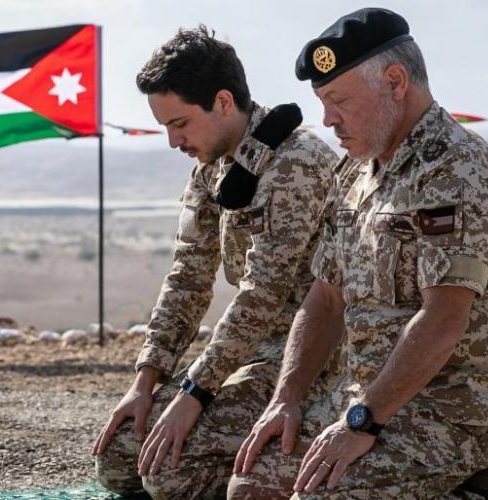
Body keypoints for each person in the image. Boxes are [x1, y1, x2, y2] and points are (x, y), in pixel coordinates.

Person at [229, 8, 488, 499]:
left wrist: (362, 423)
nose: (327, 119)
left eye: (339, 100)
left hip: (453, 408)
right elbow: (325, 299)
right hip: (365, 398)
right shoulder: (355, 172)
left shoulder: (456, 168)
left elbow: (444, 317)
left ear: (395, 82)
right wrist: (286, 398)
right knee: (249, 487)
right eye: (322, 102)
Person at [91, 25, 340, 499]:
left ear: (224, 102)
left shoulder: (294, 164)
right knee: (120, 457)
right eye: (166, 127)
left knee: (167, 475)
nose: (173, 141)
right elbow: (187, 277)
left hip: (309, 361)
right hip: (251, 355)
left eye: (180, 123)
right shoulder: (213, 169)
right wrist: (146, 381)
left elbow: (262, 294)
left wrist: (196, 391)